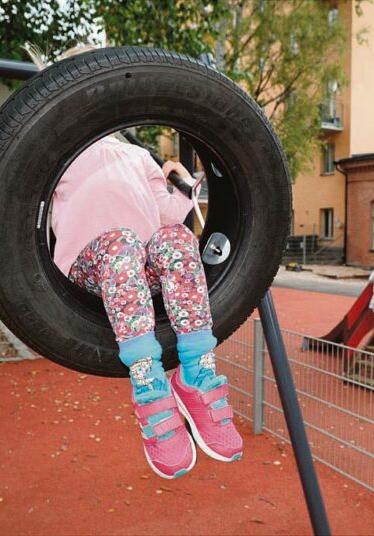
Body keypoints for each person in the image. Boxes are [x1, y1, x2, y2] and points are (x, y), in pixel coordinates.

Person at [29, 45, 242, 480]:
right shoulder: (56, 149)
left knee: (176, 240)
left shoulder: (136, 156)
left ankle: (196, 375)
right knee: (122, 242)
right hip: (89, 266)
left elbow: (165, 217)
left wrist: (182, 186)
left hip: (140, 267)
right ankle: (148, 385)